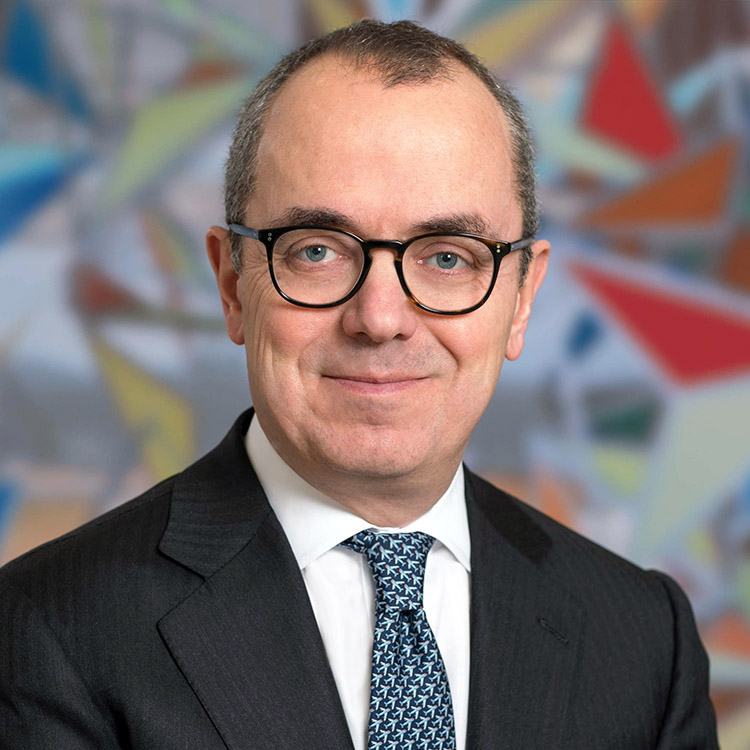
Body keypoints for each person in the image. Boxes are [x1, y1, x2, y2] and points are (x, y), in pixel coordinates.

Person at [0, 19, 717, 750]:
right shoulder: (43, 633)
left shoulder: (644, 641)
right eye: (317, 251)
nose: (380, 319)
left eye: (447, 257)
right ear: (232, 284)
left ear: (522, 298)